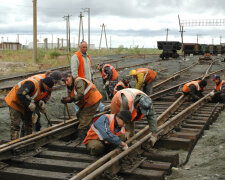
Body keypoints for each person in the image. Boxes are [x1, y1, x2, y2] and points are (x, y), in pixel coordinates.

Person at [61, 74, 102, 145]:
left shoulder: (78, 81)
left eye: (67, 80)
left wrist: (70, 99)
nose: (66, 83)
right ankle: (89, 129)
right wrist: (66, 99)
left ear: (70, 77)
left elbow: (80, 95)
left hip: (92, 99)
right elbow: (71, 96)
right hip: (86, 101)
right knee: (79, 114)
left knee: (84, 118)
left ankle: (81, 138)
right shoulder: (70, 85)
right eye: (64, 81)